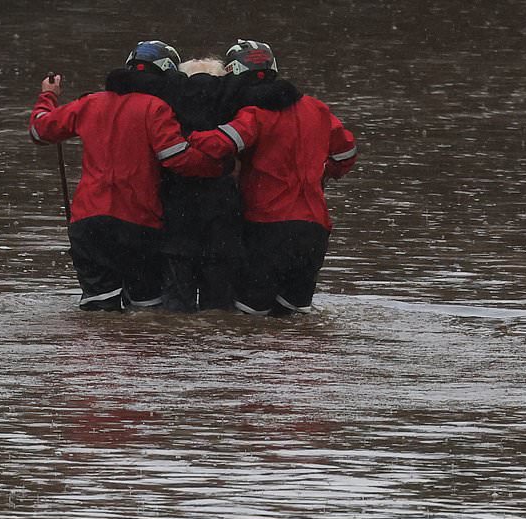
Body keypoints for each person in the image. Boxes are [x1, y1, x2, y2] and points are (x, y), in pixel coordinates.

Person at [29, 40, 227, 311]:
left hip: (88, 223)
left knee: (99, 310)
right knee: (146, 310)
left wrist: (48, 96)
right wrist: (217, 167)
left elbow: (40, 131)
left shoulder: (89, 103)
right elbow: (176, 158)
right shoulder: (155, 108)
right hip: (138, 222)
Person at [189, 39, 357, 316]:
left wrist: (185, 136)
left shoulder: (255, 114)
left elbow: (217, 144)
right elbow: (346, 153)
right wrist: (324, 176)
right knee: (294, 317)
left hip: (268, 227)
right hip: (314, 229)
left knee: (250, 318)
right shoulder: (317, 109)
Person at [157, 57, 244, 312]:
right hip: (222, 213)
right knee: (218, 301)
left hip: (177, 211)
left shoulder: (169, 111)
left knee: (176, 299)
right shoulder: (234, 112)